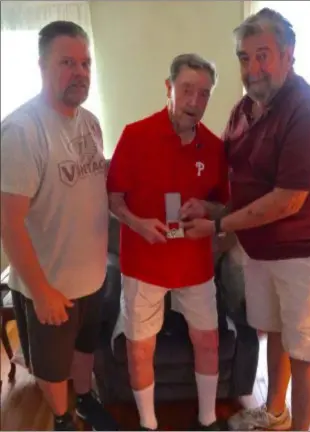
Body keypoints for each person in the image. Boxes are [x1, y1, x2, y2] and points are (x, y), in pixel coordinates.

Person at [181, 8, 310, 432]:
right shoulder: (243, 109)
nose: (252, 68)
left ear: (288, 55)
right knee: (275, 332)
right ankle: (275, 413)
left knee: (306, 350)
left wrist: (219, 227)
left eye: (262, 55)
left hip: (306, 252)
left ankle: (300, 429)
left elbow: (287, 201)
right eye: (243, 58)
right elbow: (235, 180)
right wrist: (209, 206)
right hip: (261, 249)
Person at [1, 21, 119, 431]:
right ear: (42, 66)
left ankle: (84, 401)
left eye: (85, 63)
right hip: (50, 286)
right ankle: (61, 418)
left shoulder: (89, 122)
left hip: (91, 275)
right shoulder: (22, 131)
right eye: (67, 62)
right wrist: (41, 290)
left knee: (85, 348)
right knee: (52, 367)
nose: (80, 71)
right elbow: (9, 222)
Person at [107, 53, 229, 431]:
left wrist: (206, 206)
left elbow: (223, 203)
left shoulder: (213, 146)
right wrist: (137, 223)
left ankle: (208, 420)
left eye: (204, 94)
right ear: (169, 88)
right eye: (187, 89)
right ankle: (148, 423)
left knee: (207, 341)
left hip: (194, 262)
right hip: (145, 260)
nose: (195, 102)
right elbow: (114, 199)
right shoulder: (135, 135)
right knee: (140, 347)